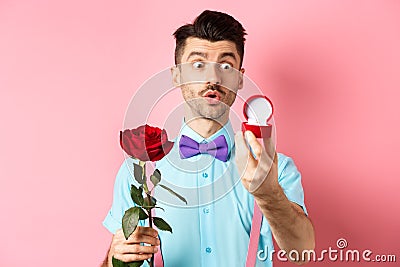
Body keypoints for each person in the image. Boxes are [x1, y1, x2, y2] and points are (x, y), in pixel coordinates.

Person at [102, 10, 315, 267]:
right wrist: (117, 257)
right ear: (177, 75)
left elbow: (302, 254)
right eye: (198, 65)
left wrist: (269, 194)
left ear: (239, 78)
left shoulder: (277, 169)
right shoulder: (139, 172)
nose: (213, 79)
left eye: (226, 66)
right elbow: (117, 260)